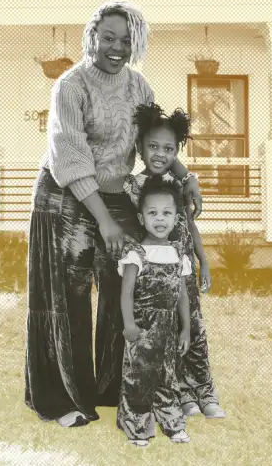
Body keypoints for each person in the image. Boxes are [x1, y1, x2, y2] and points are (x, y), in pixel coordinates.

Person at [24, 0, 203, 428]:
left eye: (126, 40)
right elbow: (69, 155)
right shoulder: (70, 85)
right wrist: (104, 220)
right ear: (93, 37)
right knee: (65, 296)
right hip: (64, 196)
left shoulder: (140, 88)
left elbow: (151, 143)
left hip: (115, 195)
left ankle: (110, 387)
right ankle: (63, 399)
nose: (116, 47)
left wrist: (184, 173)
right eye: (108, 38)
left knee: (122, 285)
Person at [124, 102, 226, 419]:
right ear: (140, 147)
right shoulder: (132, 186)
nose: (160, 154)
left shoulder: (179, 185)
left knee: (193, 327)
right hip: (154, 278)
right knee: (168, 335)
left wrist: (203, 260)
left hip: (181, 269)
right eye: (153, 146)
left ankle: (205, 390)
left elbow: (190, 225)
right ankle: (182, 392)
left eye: (168, 148)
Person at [117, 175, 192, 446]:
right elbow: (125, 294)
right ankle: (136, 425)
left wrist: (185, 329)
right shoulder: (136, 254)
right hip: (142, 325)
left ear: (175, 219)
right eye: (152, 213)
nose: (160, 219)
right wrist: (129, 325)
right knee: (139, 376)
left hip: (169, 327)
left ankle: (172, 422)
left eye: (166, 213)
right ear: (141, 219)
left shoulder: (177, 253)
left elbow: (182, 295)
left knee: (167, 376)